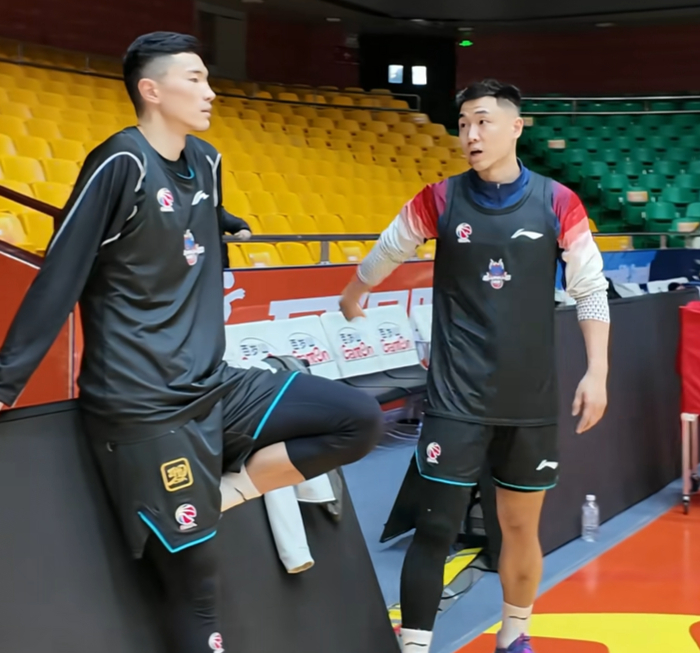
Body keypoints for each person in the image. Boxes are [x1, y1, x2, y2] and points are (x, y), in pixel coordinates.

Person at [0, 32, 383, 653]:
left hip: (214, 386)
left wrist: (222, 221)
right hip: (145, 409)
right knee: (199, 596)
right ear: (151, 91)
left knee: (357, 419)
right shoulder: (119, 163)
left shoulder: (206, 160)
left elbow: (185, 214)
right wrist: (5, 381)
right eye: (195, 79)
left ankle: (226, 493)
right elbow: (60, 274)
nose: (210, 92)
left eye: (208, 78)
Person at [339, 79, 610, 653]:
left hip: (529, 401)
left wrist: (598, 372)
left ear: (515, 127)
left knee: (519, 527)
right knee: (435, 527)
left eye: (483, 121)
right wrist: (356, 289)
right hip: (456, 397)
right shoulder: (440, 198)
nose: (470, 134)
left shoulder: (559, 201)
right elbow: (391, 245)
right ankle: (415, 645)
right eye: (463, 124)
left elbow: (590, 290)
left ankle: (514, 636)